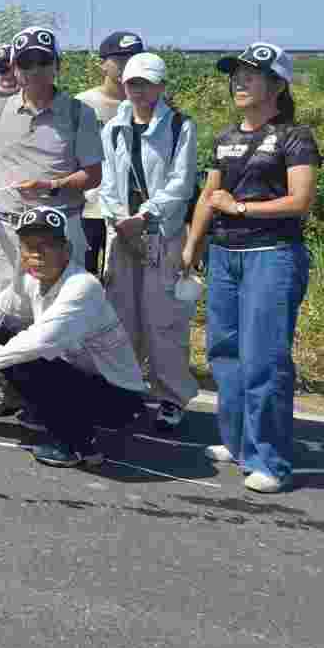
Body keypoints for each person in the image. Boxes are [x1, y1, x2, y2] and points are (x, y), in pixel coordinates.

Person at [182, 43, 318, 494]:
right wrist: (191, 246)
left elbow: (300, 202)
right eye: (235, 74)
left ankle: (270, 461)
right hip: (224, 254)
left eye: (251, 75)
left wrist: (240, 209)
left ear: (278, 85)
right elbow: (208, 196)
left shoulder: (296, 136)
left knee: (265, 360)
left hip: (272, 254)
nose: (239, 81)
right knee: (225, 353)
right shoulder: (224, 137)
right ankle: (237, 442)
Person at [0, 26, 103, 418]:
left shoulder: (78, 112)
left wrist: (52, 186)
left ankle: (55, 398)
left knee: (57, 317)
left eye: (42, 62)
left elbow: (93, 174)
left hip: (58, 229)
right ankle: (14, 388)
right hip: (6, 229)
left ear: (56, 66)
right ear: (14, 68)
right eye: (25, 63)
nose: (33, 71)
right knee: (11, 310)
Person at [0, 206, 150, 468]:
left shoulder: (83, 286)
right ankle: (44, 410)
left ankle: (79, 447)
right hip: (82, 378)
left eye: (47, 245)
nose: (36, 254)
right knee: (4, 337)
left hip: (120, 398)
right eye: (29, 246)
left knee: (21, 357)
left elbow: (43, 340)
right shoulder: (30, 280)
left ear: (66, 249)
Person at [97, 52, 199, 431]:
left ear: (161, 86)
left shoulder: (180, 127)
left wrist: (145, 217)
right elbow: (107, 182)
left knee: (164, 321)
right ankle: (124, 388)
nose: (138, 91)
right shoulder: (114, 128)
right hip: (122, 234)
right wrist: (120, 221)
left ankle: (172, 397)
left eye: (146, 83)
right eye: (132, 83)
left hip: (161, 235)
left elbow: (181, 183)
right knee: (121, 317)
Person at [77, 31, 147, 275]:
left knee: (122, 285)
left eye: (134, 58)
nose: (127, 65)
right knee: (83, 279)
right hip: (88, 207)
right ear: (103, 64)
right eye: (120, 59)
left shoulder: (152, 105)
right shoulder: (81, 104)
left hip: (132, 211)